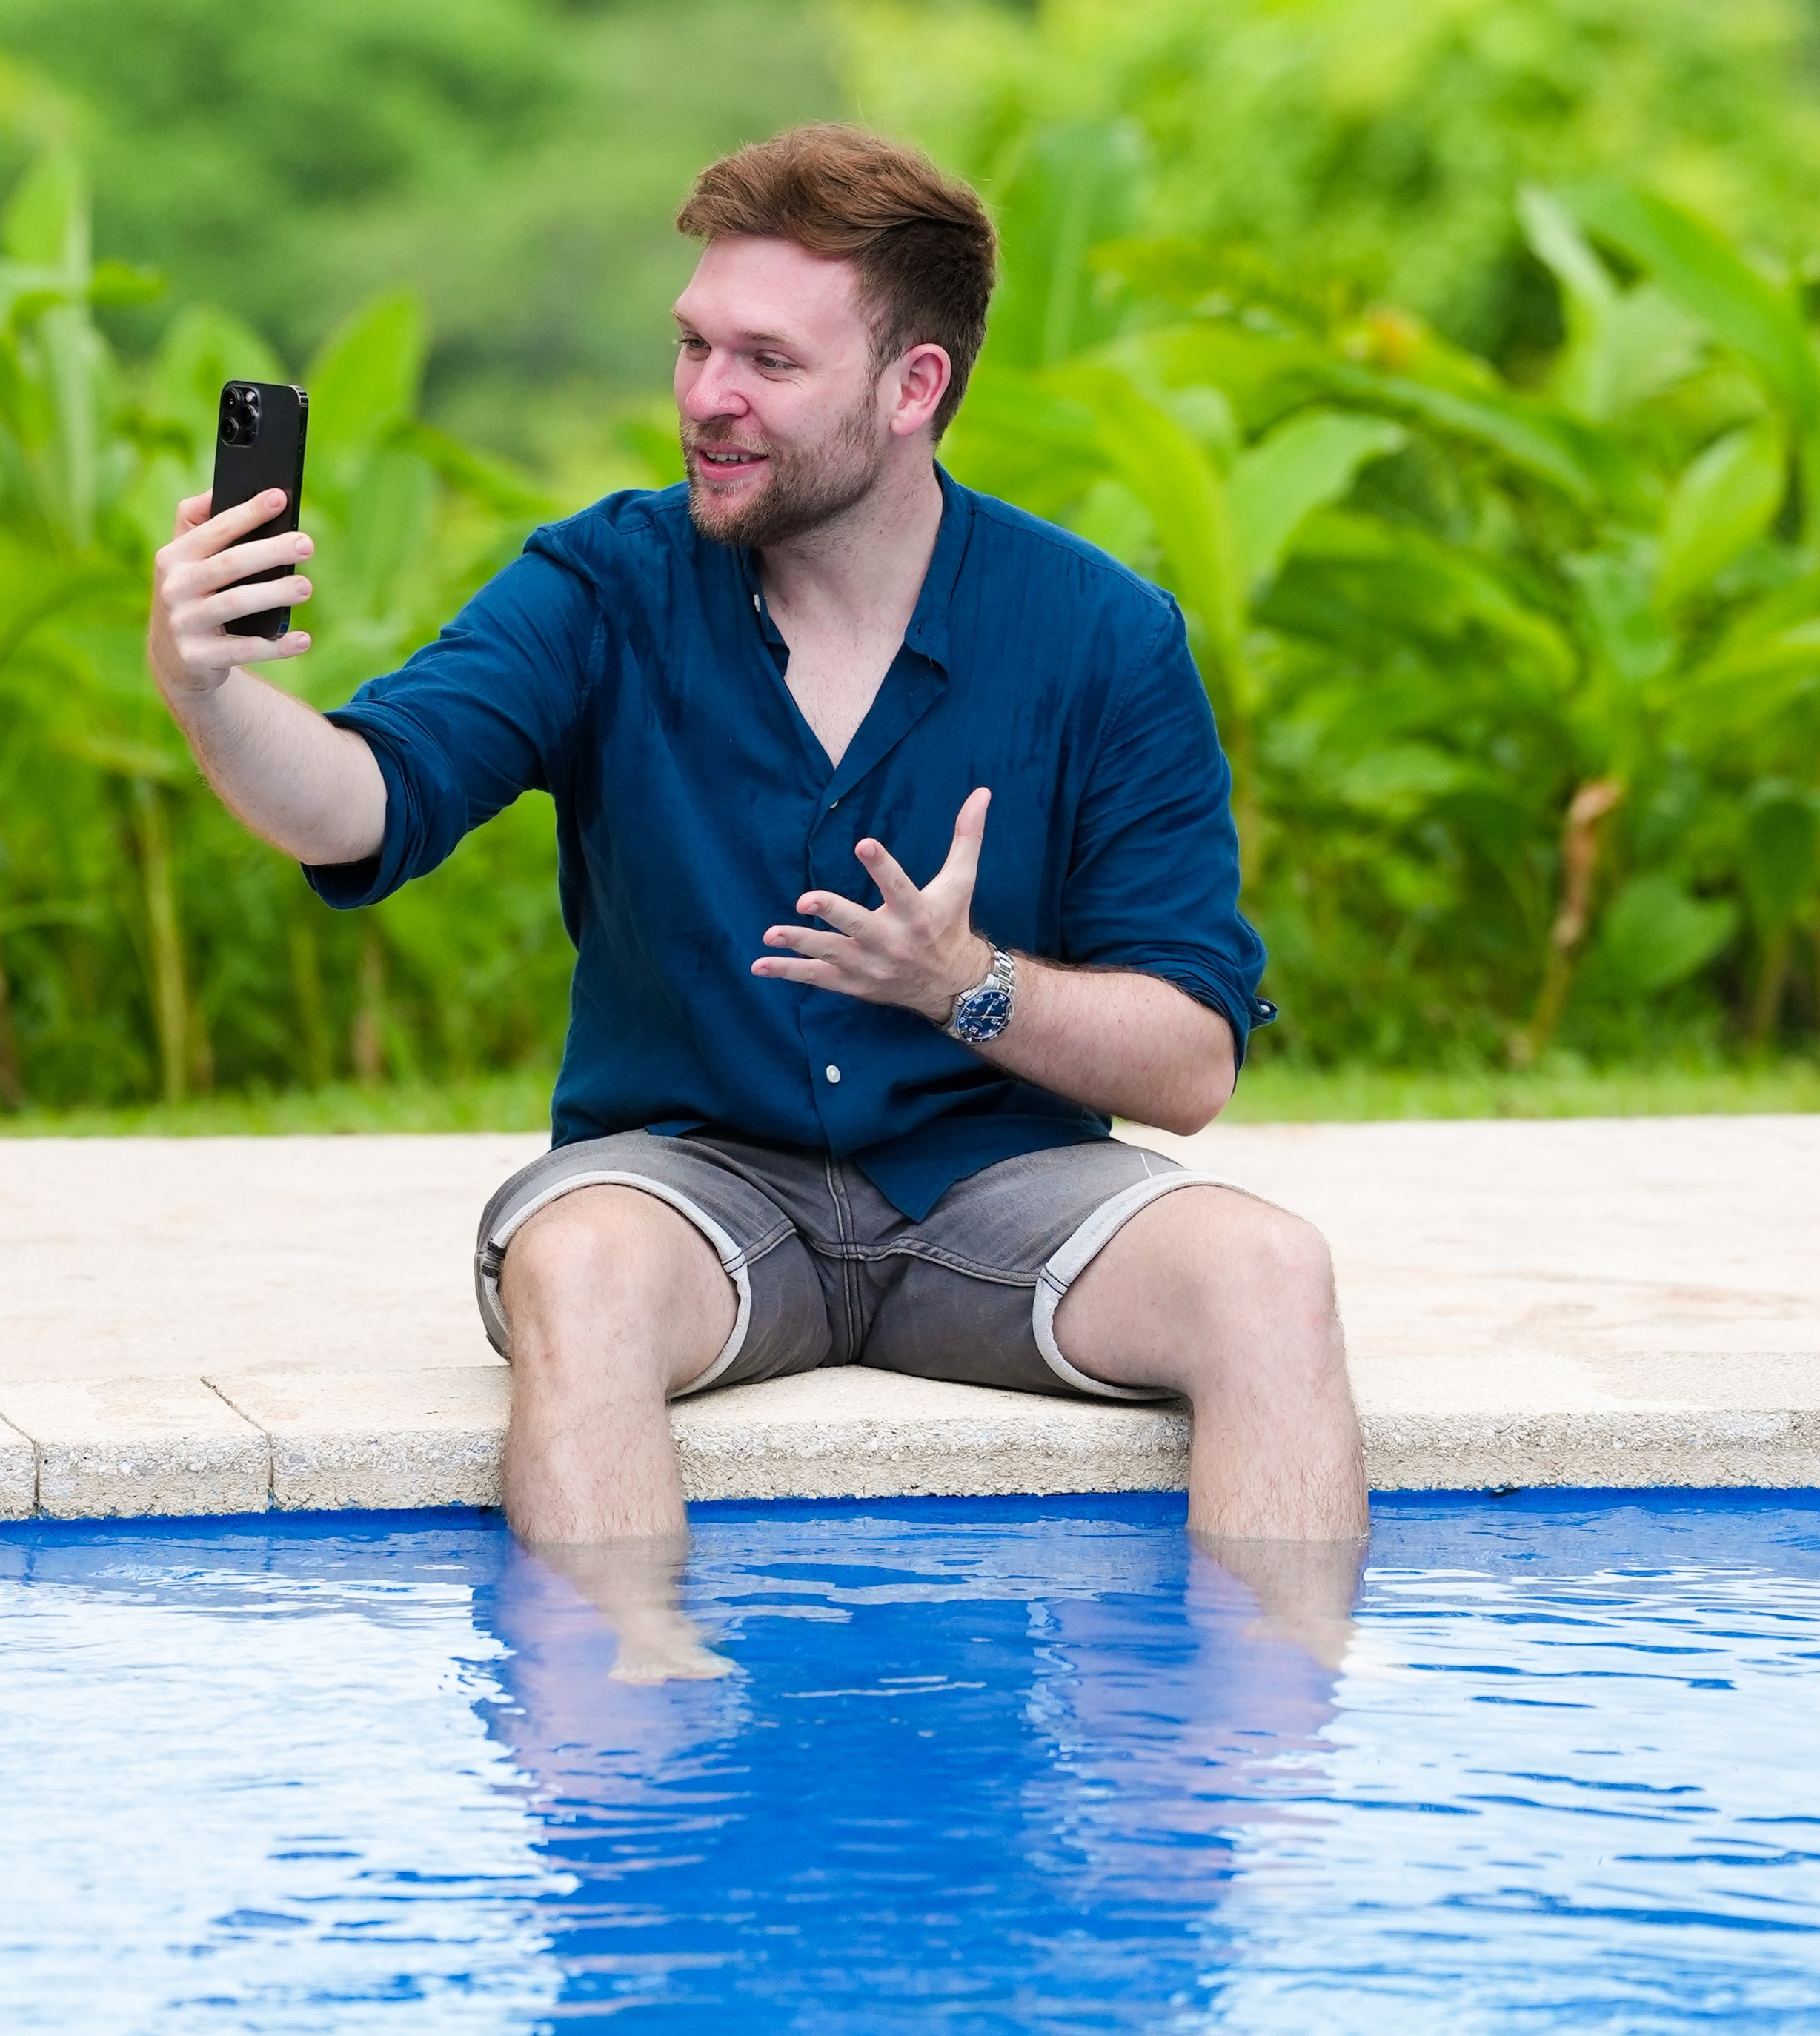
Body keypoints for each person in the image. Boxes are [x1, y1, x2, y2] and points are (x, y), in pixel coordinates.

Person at [147, 124, 1366, 1675]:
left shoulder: (1101, 637)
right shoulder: (605, 584)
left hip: (992, 1194)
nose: (706, 397)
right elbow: (366, 798)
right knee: (575, 1263)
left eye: (766, 361)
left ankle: (1256, 1732)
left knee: (1268, 1272)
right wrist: (209, 687)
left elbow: (1188, 1062)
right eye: (694, 345)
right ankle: (632, 1717)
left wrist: (965, 983)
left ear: (911, 386)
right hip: (691, 1190)